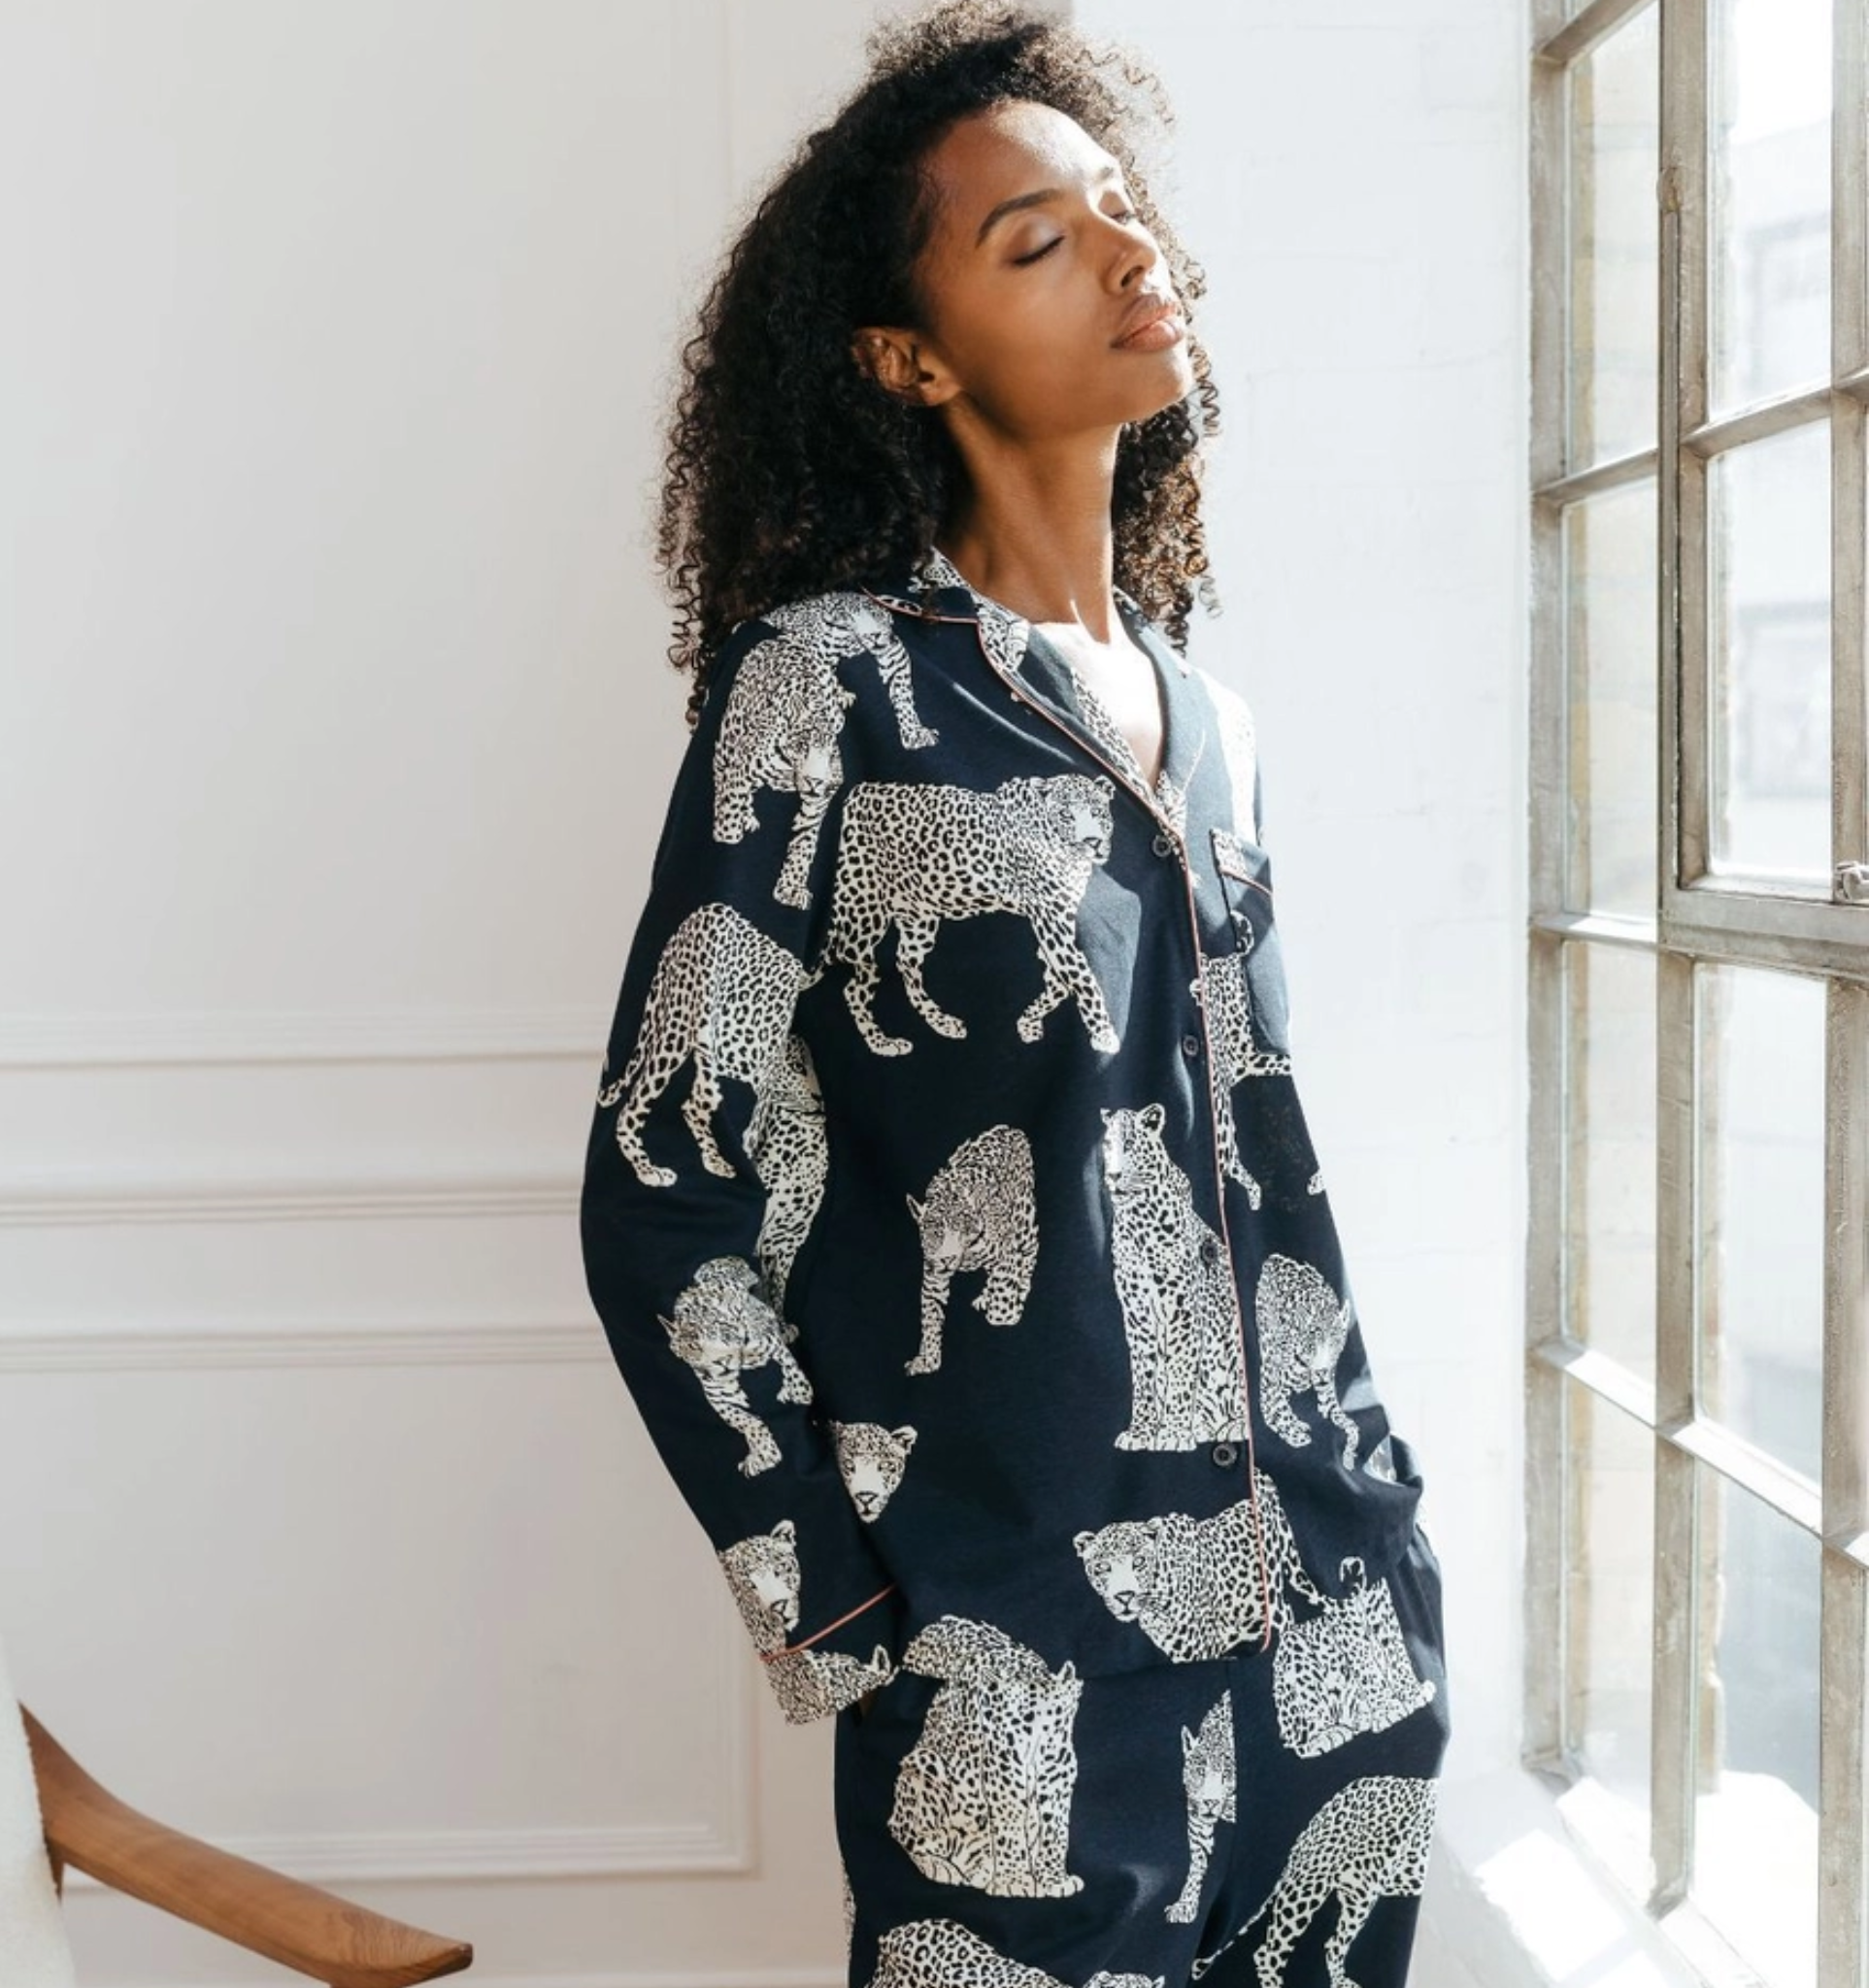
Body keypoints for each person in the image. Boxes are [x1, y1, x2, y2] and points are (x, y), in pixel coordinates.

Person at [578, 4, 1452, 1983]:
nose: (1131, 252)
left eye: (1123, 208)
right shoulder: (828, 686)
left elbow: (1254, 1170)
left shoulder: (1213, 723)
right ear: (911, 357)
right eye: (1039, 239)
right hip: (1017, 1674)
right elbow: (663, 1191)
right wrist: (845, 1620)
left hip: (1336, 1635)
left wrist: (1382, 1526)